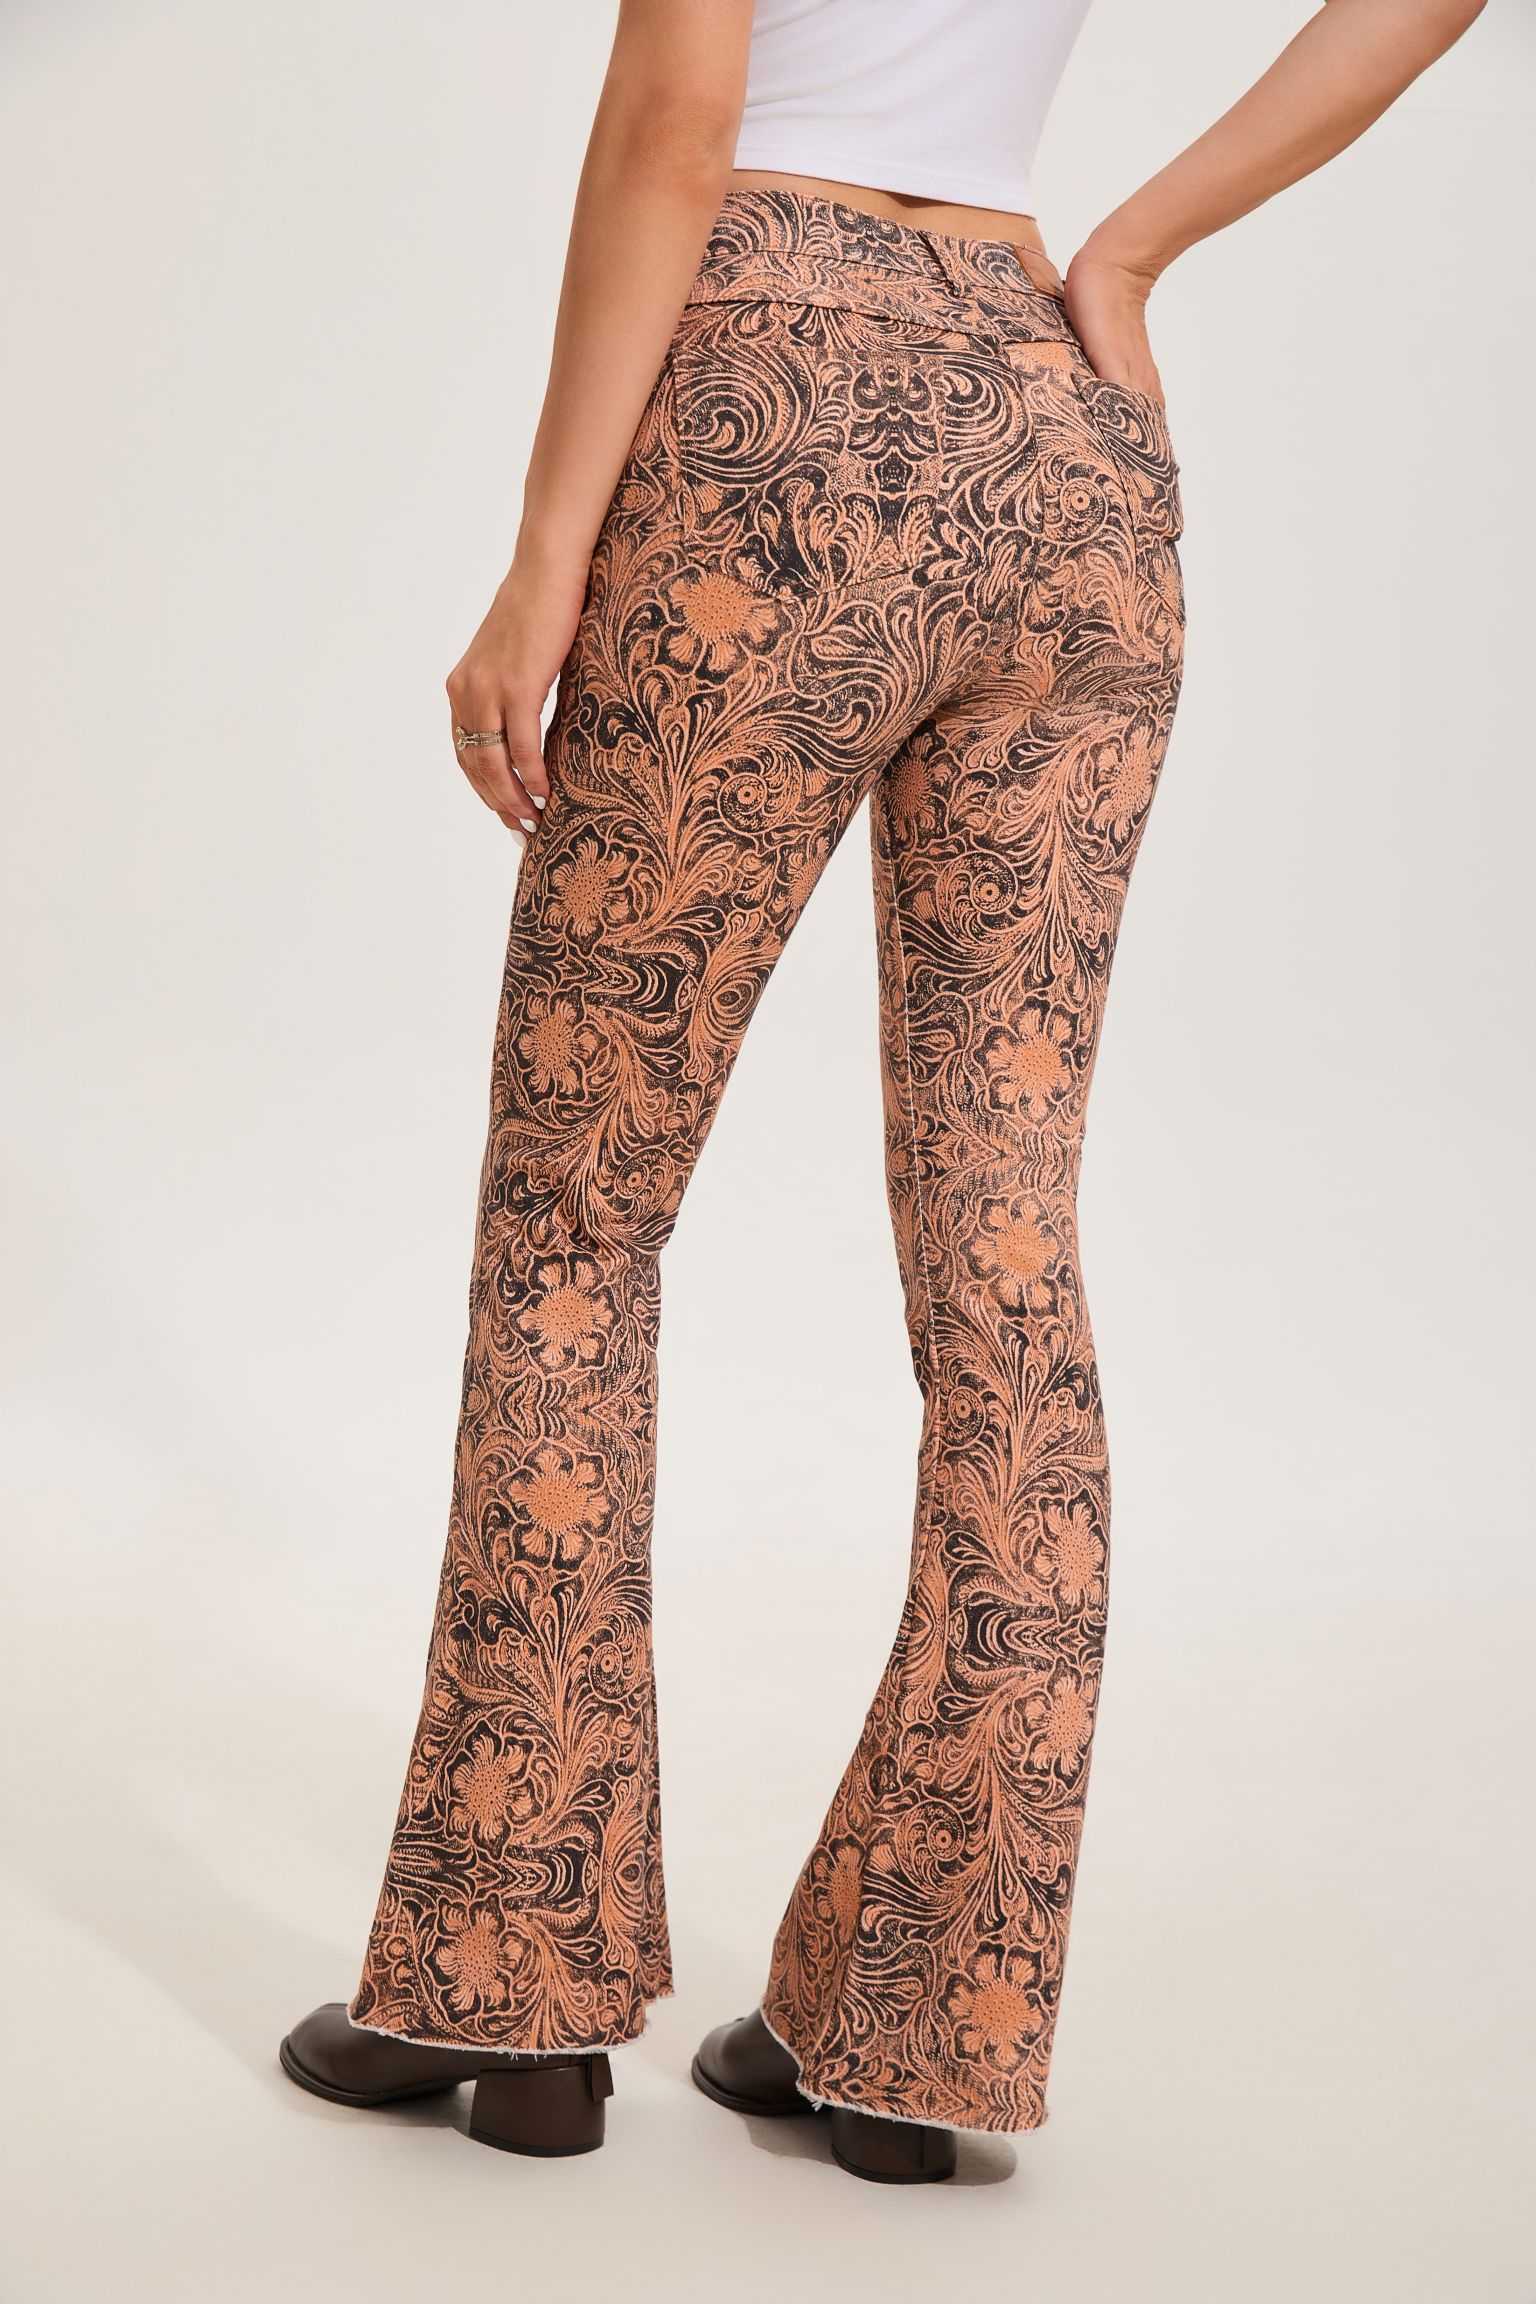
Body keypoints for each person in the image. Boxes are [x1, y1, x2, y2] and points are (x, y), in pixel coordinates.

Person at [280, 0, 1486, 2184]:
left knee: (578, 1217)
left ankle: (511, 1992)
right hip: (1063, 435)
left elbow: (675, 119)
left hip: (780, 410)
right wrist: (1130, 255)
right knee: (1006, 1251)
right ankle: (916, 2037)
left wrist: (548, 551)